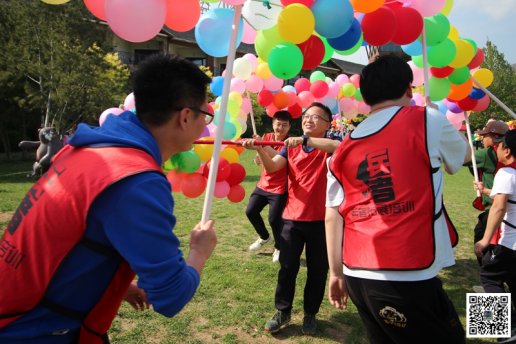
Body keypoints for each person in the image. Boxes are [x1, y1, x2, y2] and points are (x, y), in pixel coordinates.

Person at [0, 54, 217, 343]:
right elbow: (170, 296)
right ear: (186, 116)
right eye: (206, 115)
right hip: (32, 330)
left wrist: (115, 285)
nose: (205, 126)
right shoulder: (136, 180)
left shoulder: (87, 150)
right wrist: (199, 252)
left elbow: (67, 238)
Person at [325, 55, 470, 343]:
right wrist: (435, 118)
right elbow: (463, 156)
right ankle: (504, 332)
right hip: (405, 274)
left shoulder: (343, 148)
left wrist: (336, 273)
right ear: (408, 90)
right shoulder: (426, 120)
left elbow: (333, 216)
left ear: (365, 97)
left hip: (357, 273)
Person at [242, 102, 340, 335]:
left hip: (321, 221)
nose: (308, 120)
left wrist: (306, 140)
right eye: (306, 116)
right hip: (292, 219)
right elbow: (274, 166)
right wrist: (259, 149)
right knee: (287, 268)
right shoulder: (291, 146)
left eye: (316, 117)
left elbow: (338, 146)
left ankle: (310, 314)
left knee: (317, 270)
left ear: (327, 124)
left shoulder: (328, 145)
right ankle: (282, 311)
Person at [474, 129, 516, 343]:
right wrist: (486, 190)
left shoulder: (507, 173)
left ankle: (502, 332)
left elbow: (499, 208)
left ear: (507, 151)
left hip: (509, 243)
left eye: (499, 144)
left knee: (488, 275)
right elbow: (506, 195)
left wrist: (484, 240)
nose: (496, 147)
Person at [246, 110, 291, 263]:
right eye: (278, 124)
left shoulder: (290, 142)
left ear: (289, 127)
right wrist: (256, 157)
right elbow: (260, 157)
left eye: (285, 125)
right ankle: (265, 237)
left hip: (280, 188)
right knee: (251, 211)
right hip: (263, 184)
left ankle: (278, 247)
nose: (281, 128)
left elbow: (275, 156)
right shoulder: (266, 137)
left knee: (274, 220)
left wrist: (261, 146)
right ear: (273, 124)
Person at [469, 120, 509, 265]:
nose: (482, 138)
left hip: (495, 207)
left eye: (485, 135)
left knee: (485, 244)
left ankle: (490, 278)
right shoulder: (508, 153)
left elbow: (465, 158)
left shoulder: (487, 153)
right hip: (507, 207)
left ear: (493, 136)